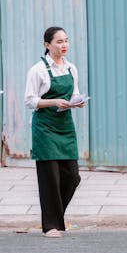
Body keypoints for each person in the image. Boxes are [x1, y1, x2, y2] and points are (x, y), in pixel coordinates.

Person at [24, 27, 85, 238]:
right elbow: (30, 100)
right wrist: (52, 101)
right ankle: (51, 225)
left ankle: (55, 215)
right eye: (59, 42)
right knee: (50, 177)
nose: (64, 45)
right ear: (47, 45)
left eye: (66, 41)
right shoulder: (37, 70)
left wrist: (77, 103)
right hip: (45, 128)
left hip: (65, 126)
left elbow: (74, 92)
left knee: (72, 177)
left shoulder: (71, 68)